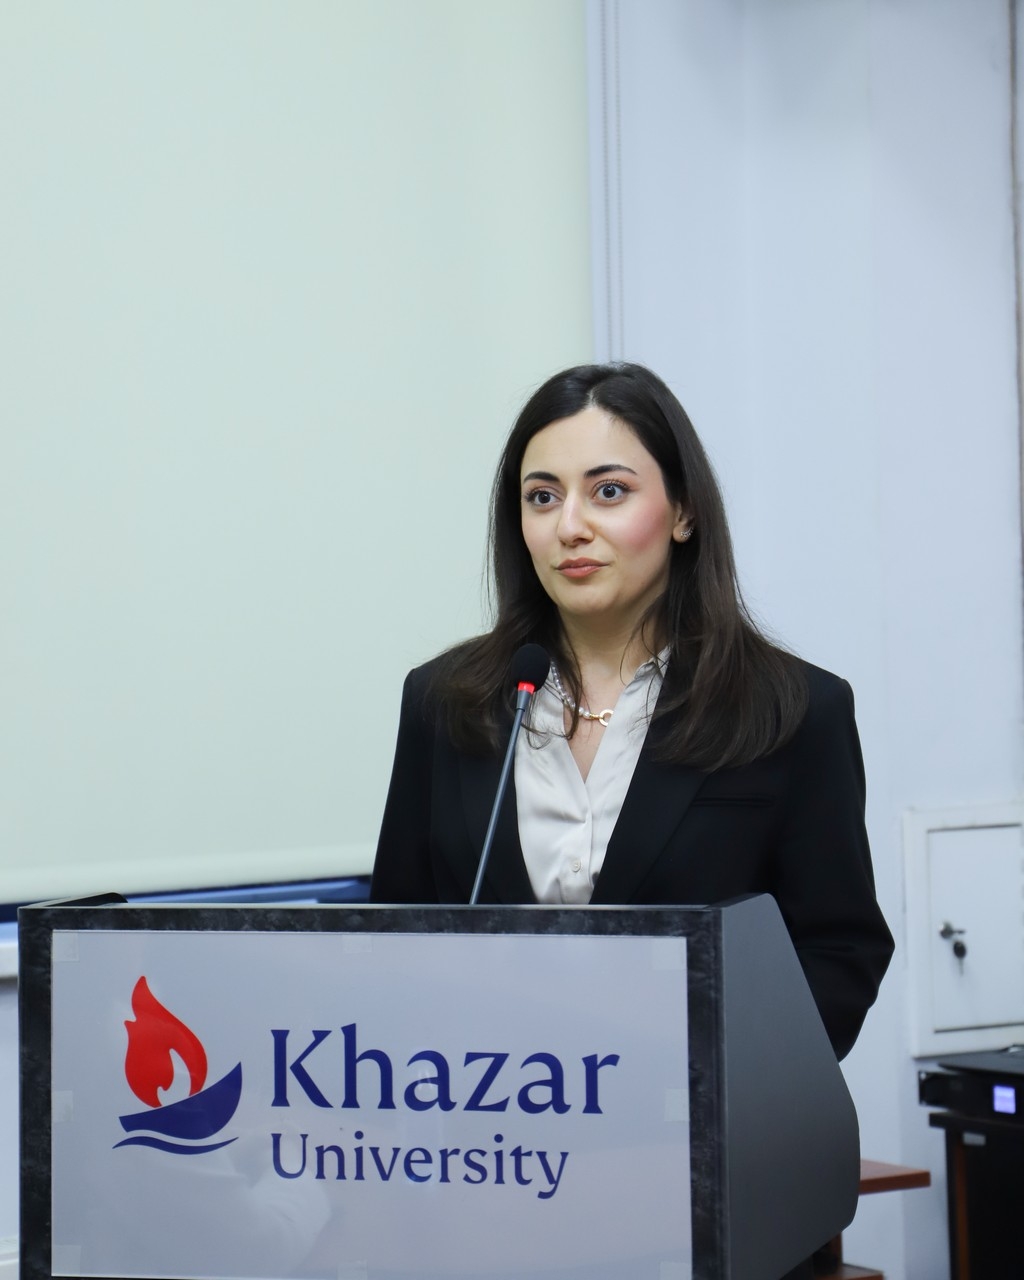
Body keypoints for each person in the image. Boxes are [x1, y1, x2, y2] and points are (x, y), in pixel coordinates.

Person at [371, 361, 893, 1064]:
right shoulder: (445, 699)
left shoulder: (792, 710)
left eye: (609, 492)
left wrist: (710, 1078)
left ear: (683, 512)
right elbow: (391, 939)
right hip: (489, 1110)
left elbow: (838, 952)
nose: (570, 527)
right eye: (542, 497)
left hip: (703, 1108)